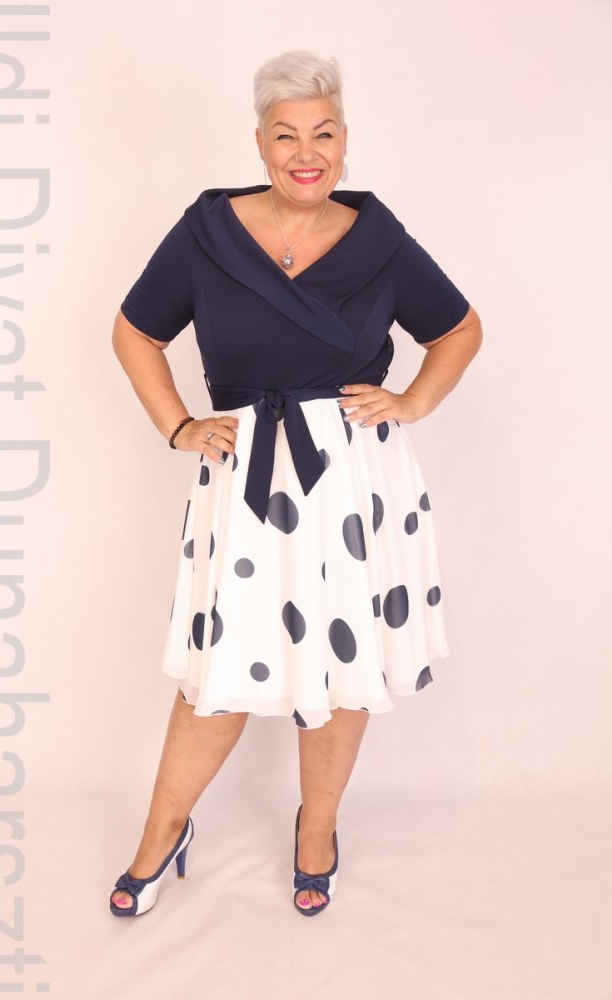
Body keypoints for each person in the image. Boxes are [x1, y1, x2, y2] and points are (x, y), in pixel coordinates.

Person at [109, 49, 482, 918]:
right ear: (260, 143)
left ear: (345, 141)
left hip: (353, 481)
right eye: (286, 136)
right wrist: (179, 424)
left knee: (342, 668)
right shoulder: (208, 233)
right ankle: (163, 832)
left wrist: (413, 400)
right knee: (219, 672)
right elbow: (134, 331)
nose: (305, 153)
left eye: (323, 134)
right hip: (245, 479)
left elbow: (459, 328)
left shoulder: (380, 240)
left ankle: (318, 831)